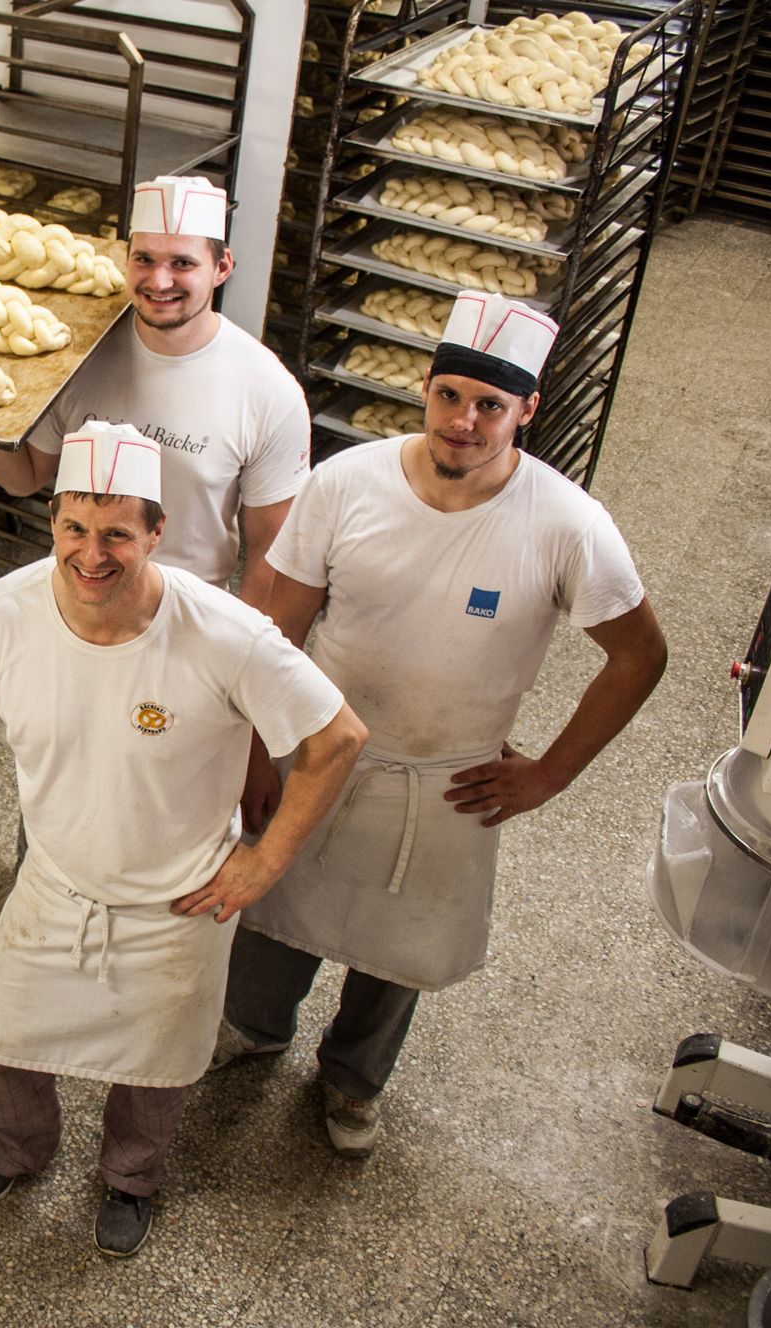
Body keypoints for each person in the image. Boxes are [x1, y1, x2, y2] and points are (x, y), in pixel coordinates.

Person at [0, 422, 366, 1258]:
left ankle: (131, 1176)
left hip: (176, 904)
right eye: (74, 529)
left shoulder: (225, 632)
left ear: (158, 532)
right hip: (53, 883)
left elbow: (336, 736)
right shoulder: (3, 612)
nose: (91, 554)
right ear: (52, 521)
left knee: (156, 1071)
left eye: (118, 532)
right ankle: (19, 1147)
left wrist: (265, 861)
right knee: (9, 1042)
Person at [211, 291, 667, 1159]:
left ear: (527, 410)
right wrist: (256, 750)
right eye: (449, 395)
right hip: (321, 753)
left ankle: (353, 1078)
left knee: (399, 951)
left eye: (490, 405)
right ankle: (253, 1029)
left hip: (448, 778)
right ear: (424, 388)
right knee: (276, 908)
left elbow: (640, 656)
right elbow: (278, 626)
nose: (464, 421)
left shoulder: (566, 524)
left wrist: (549, 773)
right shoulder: (347, 483)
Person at [0, 176, 313, 952]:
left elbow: (274, 569)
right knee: (52, 767)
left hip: (190, 631)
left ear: (222, 267)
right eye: (146, 259)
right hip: (78, 600)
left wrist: (258, 729)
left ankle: (152, 937)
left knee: (163, 793)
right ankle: (40, 904)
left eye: (183, 263)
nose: (160, 280)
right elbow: (26, 478)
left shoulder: (265, 392)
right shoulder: (84, 351)